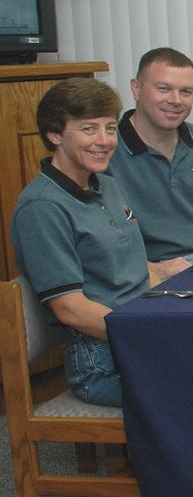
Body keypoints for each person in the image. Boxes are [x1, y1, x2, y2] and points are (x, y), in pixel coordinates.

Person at [11, 78, 161, 406]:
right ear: (55, 134)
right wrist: (149, 336)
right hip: (100, 360)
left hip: (138, 324)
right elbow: (70, 309)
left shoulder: (107, 185)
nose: (104, 141)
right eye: (89, 129)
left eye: (110, 128)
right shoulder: (42, 207)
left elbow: (133, 269)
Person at [107, 47, 193, 278]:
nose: (175, 100)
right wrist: (154, 271)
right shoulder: (107, 150)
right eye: (164, 89)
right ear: (136, 88)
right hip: (153, 275)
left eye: (186, 92)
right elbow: (103, 249)